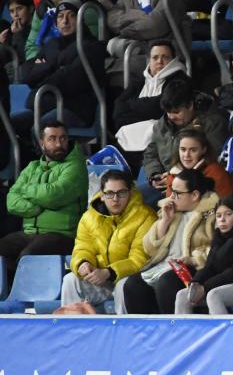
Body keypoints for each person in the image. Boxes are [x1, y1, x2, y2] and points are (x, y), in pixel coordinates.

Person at [113, 168, 219, 314]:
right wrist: (164, 222)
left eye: (177, 194)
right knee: (133, 284)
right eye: (171, 192)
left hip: (195, 269)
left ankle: (172, 331)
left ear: (194, 195)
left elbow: (216, 249)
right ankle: (148, 334)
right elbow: (149, 248)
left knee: (166, 282)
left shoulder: (213, 215)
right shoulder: (170, 211)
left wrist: (191, 259)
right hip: (164, 267)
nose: (171, 197)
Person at [57, 169, 155, 314]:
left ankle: (124, 333)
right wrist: (83, 263)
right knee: (71, 280)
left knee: (124, 285)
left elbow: (140, 259)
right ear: (102, 195)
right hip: (100, 278)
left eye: (121, 193)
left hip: (130, 279)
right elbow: (82, 247)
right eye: (109, 193)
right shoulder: (89, 217)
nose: (115, 199)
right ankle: (75, 331)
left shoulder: (146, 217)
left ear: (130, 192)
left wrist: (109, 272)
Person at [0, 123, 86, 272]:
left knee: (28, 256)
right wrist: (35, 207)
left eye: (63, 138)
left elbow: (53, 195)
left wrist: (25, 189)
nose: (59, 144)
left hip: (62, 235)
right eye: (52, 139)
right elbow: (11, 202)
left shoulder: (75, 166)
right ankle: (11, 291)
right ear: (42, 143)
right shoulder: (32, 167)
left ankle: (23, 289)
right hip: (29, 233)